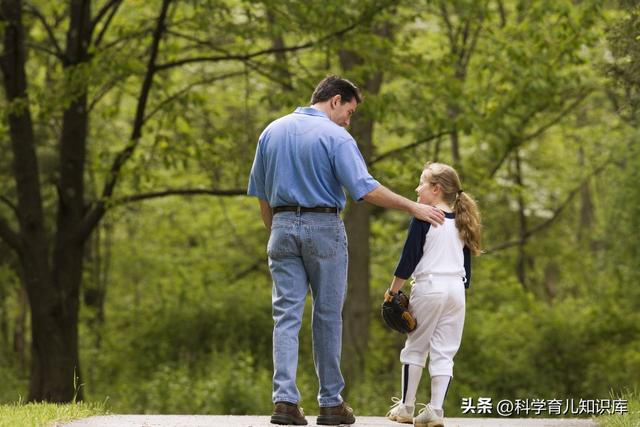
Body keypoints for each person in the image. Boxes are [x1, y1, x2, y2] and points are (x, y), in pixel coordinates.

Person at [247, 75, 445, 426]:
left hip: (280, 227)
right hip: (323, 227)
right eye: (349, 111)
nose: (348, 120)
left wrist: (277, 229)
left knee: (286, 316)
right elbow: (364, 189)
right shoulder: (336, 136)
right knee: (326, 316)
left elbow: (262, 193)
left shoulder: (271, 132)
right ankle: (330, 403)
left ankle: (285, 402)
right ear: (335, 100)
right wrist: (413, 207)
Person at [385, 162, 481, 427]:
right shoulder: (462, 219)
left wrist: (393, 292)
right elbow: (466, 264)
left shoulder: (424, 216)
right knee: (444, 352)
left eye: (422, 183)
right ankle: (435, 411)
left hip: (429, 287)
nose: (417, 188)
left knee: (415, 348)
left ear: (436, 189)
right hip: (456, 290)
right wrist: (460, 291)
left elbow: (409, 258)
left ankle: (406, 407)